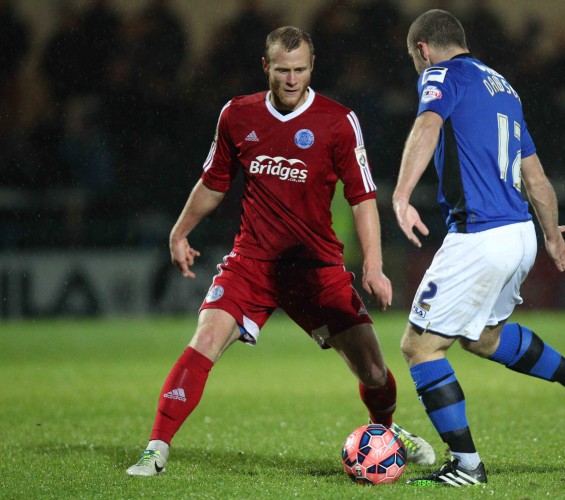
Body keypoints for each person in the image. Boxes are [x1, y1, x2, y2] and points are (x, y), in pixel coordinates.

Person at [126, 26, 435, 476]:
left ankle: (384, 432)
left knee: (373, 371)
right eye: (284, 70)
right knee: (205, 339)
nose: (292, 80)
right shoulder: (237, 115)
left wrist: (374, 265)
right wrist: (180, 232)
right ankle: (156, 448)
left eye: (301, 70)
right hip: (253, 263)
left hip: (317, 267)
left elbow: (362, 197)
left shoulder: (337, 121)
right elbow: (214, 183)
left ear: (312, 68)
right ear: (266, 67)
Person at [392, 10, 565, 487]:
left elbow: (428, 124)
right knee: (483, 336)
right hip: (520, 233)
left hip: (480, 235)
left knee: (420, 347)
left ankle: (467, 467)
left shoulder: (439, 74)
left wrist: (402, 194)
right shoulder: (502, 87)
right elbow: (534, 174)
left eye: (415, 58)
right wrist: (551, 234)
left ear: (423, 49)